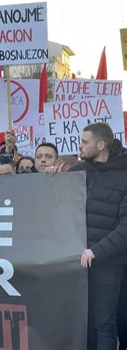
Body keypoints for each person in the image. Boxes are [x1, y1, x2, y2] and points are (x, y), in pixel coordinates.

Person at [68, 123, 127, 350]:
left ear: (100, 145)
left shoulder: (124, 176)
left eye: (84, 142)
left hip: (109, 263)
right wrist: (52, 176)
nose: (79, 146)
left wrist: (96, 251)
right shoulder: (79, 171)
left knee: (104, 323)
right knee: (85, 320)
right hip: (78, 261)